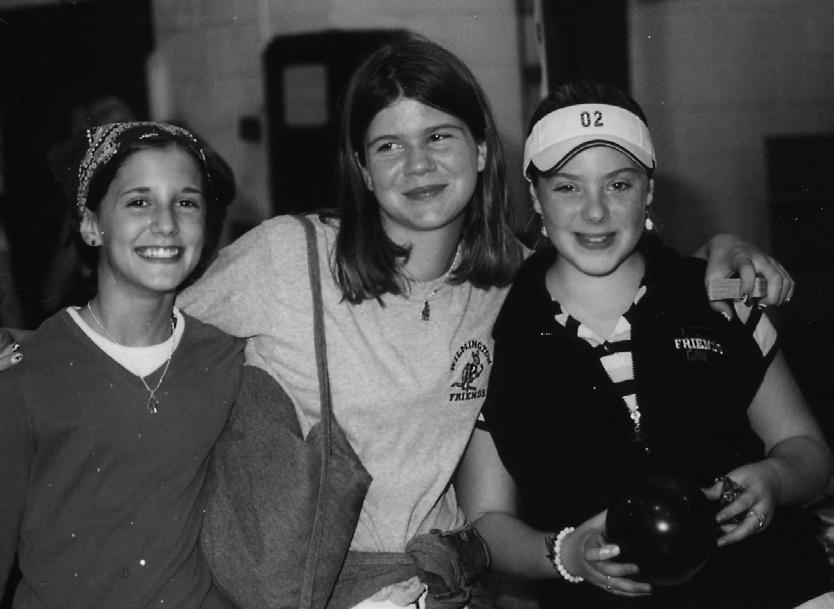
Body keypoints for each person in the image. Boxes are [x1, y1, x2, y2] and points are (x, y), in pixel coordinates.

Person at [0, 34, 796, 609]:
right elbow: (137, 329)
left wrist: (718, 254)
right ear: (361, 167)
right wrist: (20, 356)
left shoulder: (510, 284)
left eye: (439, 136)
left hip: (445, 582)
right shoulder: (286, 258)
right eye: (388, 146)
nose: (418, 166)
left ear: (481, 149)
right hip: (314, 585)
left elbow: (608, 251)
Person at [457, 80, 832, 608]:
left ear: (648, 190)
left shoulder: (720, 297)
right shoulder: (497, 333)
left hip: (773, 587)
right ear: (535, 196)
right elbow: (485, 520)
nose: (595, 212)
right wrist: (565, 554)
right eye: (567, 187)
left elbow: (807, 449)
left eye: (619, 185)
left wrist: (776, 477)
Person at [0, 122, 243, 608]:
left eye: (186, 202)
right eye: (138, 202)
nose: (166, 223)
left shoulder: (227, 357)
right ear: (91, 224)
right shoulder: (25, 378)